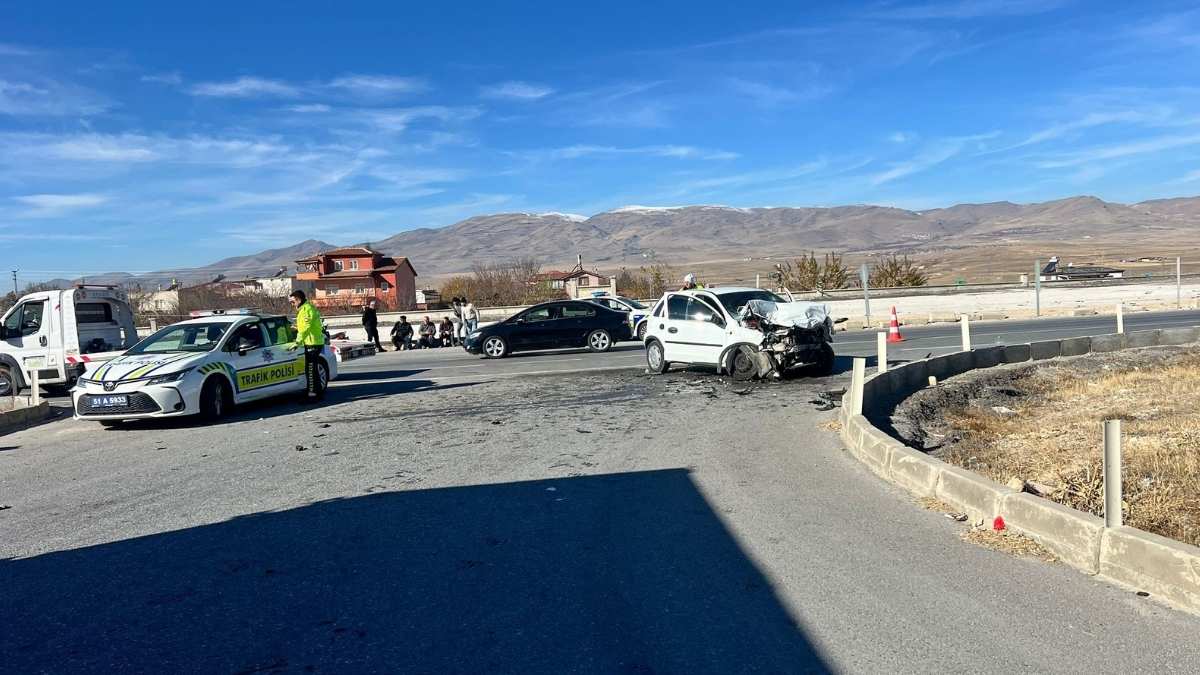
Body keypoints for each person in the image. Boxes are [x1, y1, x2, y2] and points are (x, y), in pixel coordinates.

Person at [288, 290, 325, 400]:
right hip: (313, 342)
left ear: (298, 300)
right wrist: (296, 328)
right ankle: (317, 393)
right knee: (313, 370)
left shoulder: (306, 310)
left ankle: (312, 395)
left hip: (312, 343)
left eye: (293, 302)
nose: (292, 304)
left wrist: (297, 342)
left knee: (310, 370)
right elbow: (306, 326)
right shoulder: (306, 308)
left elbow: (305, 329)